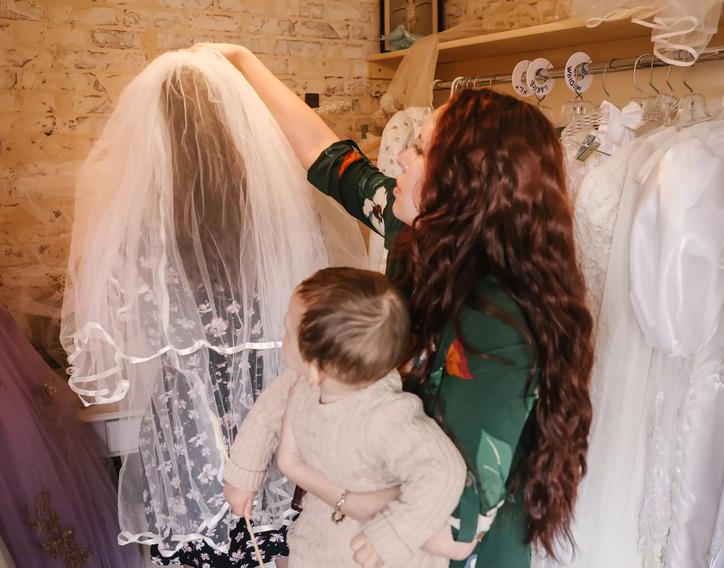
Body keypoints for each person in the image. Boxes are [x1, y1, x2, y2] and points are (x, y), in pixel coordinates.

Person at [195, 43, 595, 567]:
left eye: (424, 149)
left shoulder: (499, 324)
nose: (403, 155)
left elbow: (455, 527)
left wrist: (306, 471)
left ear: (465, 185)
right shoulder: (418, 235)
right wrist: (246, 62)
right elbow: (329, 159)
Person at [223, 266, 473, 567]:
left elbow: (442, 471)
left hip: (380, 554)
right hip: (320, 537)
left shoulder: (387, 416)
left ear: (317, 366)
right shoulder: (302, 382)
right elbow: (266, 414)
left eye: (288, 333)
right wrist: (243, 476)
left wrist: (391, 534)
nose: (282, 339)